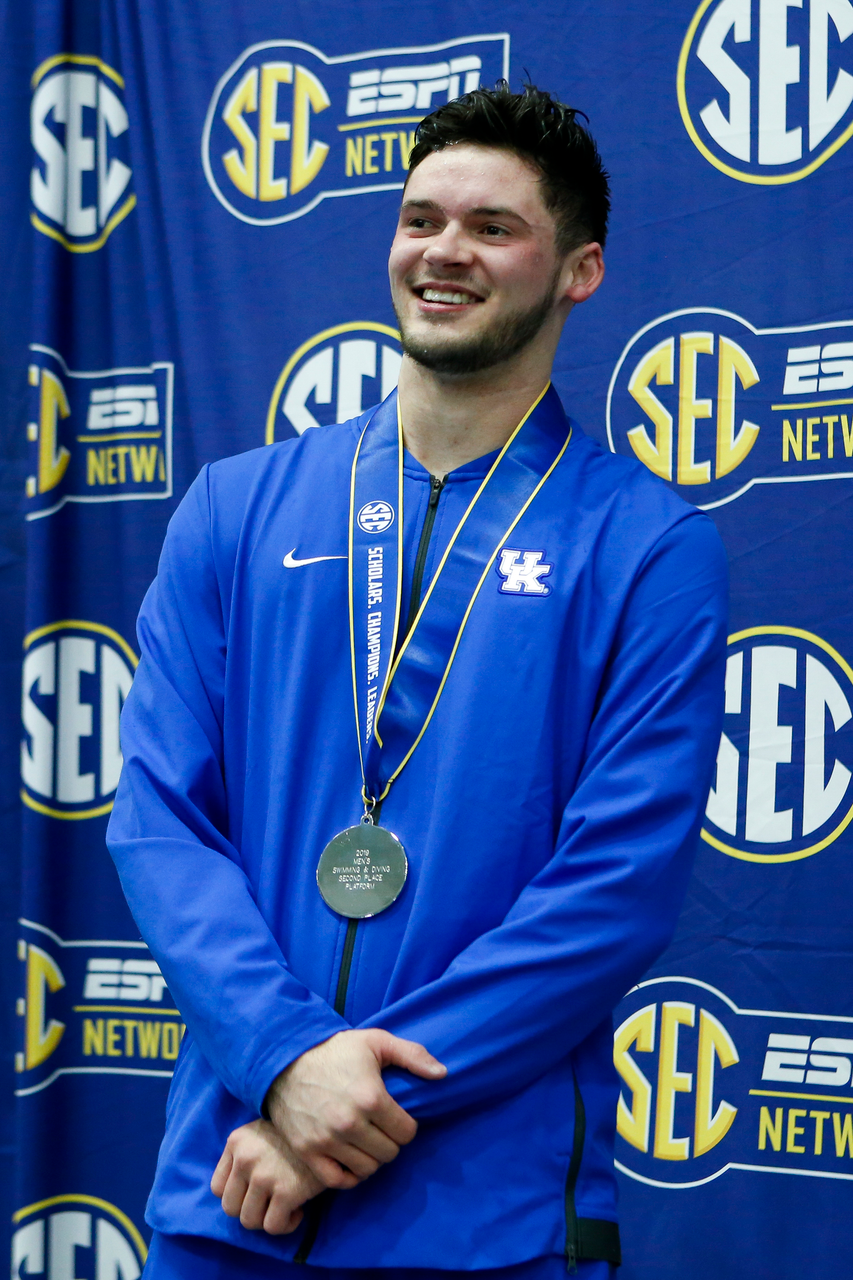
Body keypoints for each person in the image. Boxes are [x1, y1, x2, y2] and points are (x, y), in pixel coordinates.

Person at [107, 83, 728, 1280]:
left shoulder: (646, 548)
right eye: (420, 218)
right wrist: (287, 1058)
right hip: (229, 1189)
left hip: (481, 1216)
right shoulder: (236, 509)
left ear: (579, 270)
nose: (444, 251)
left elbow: (612, 890)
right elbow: (161, 825)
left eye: (493, 227)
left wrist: (341, 1106)